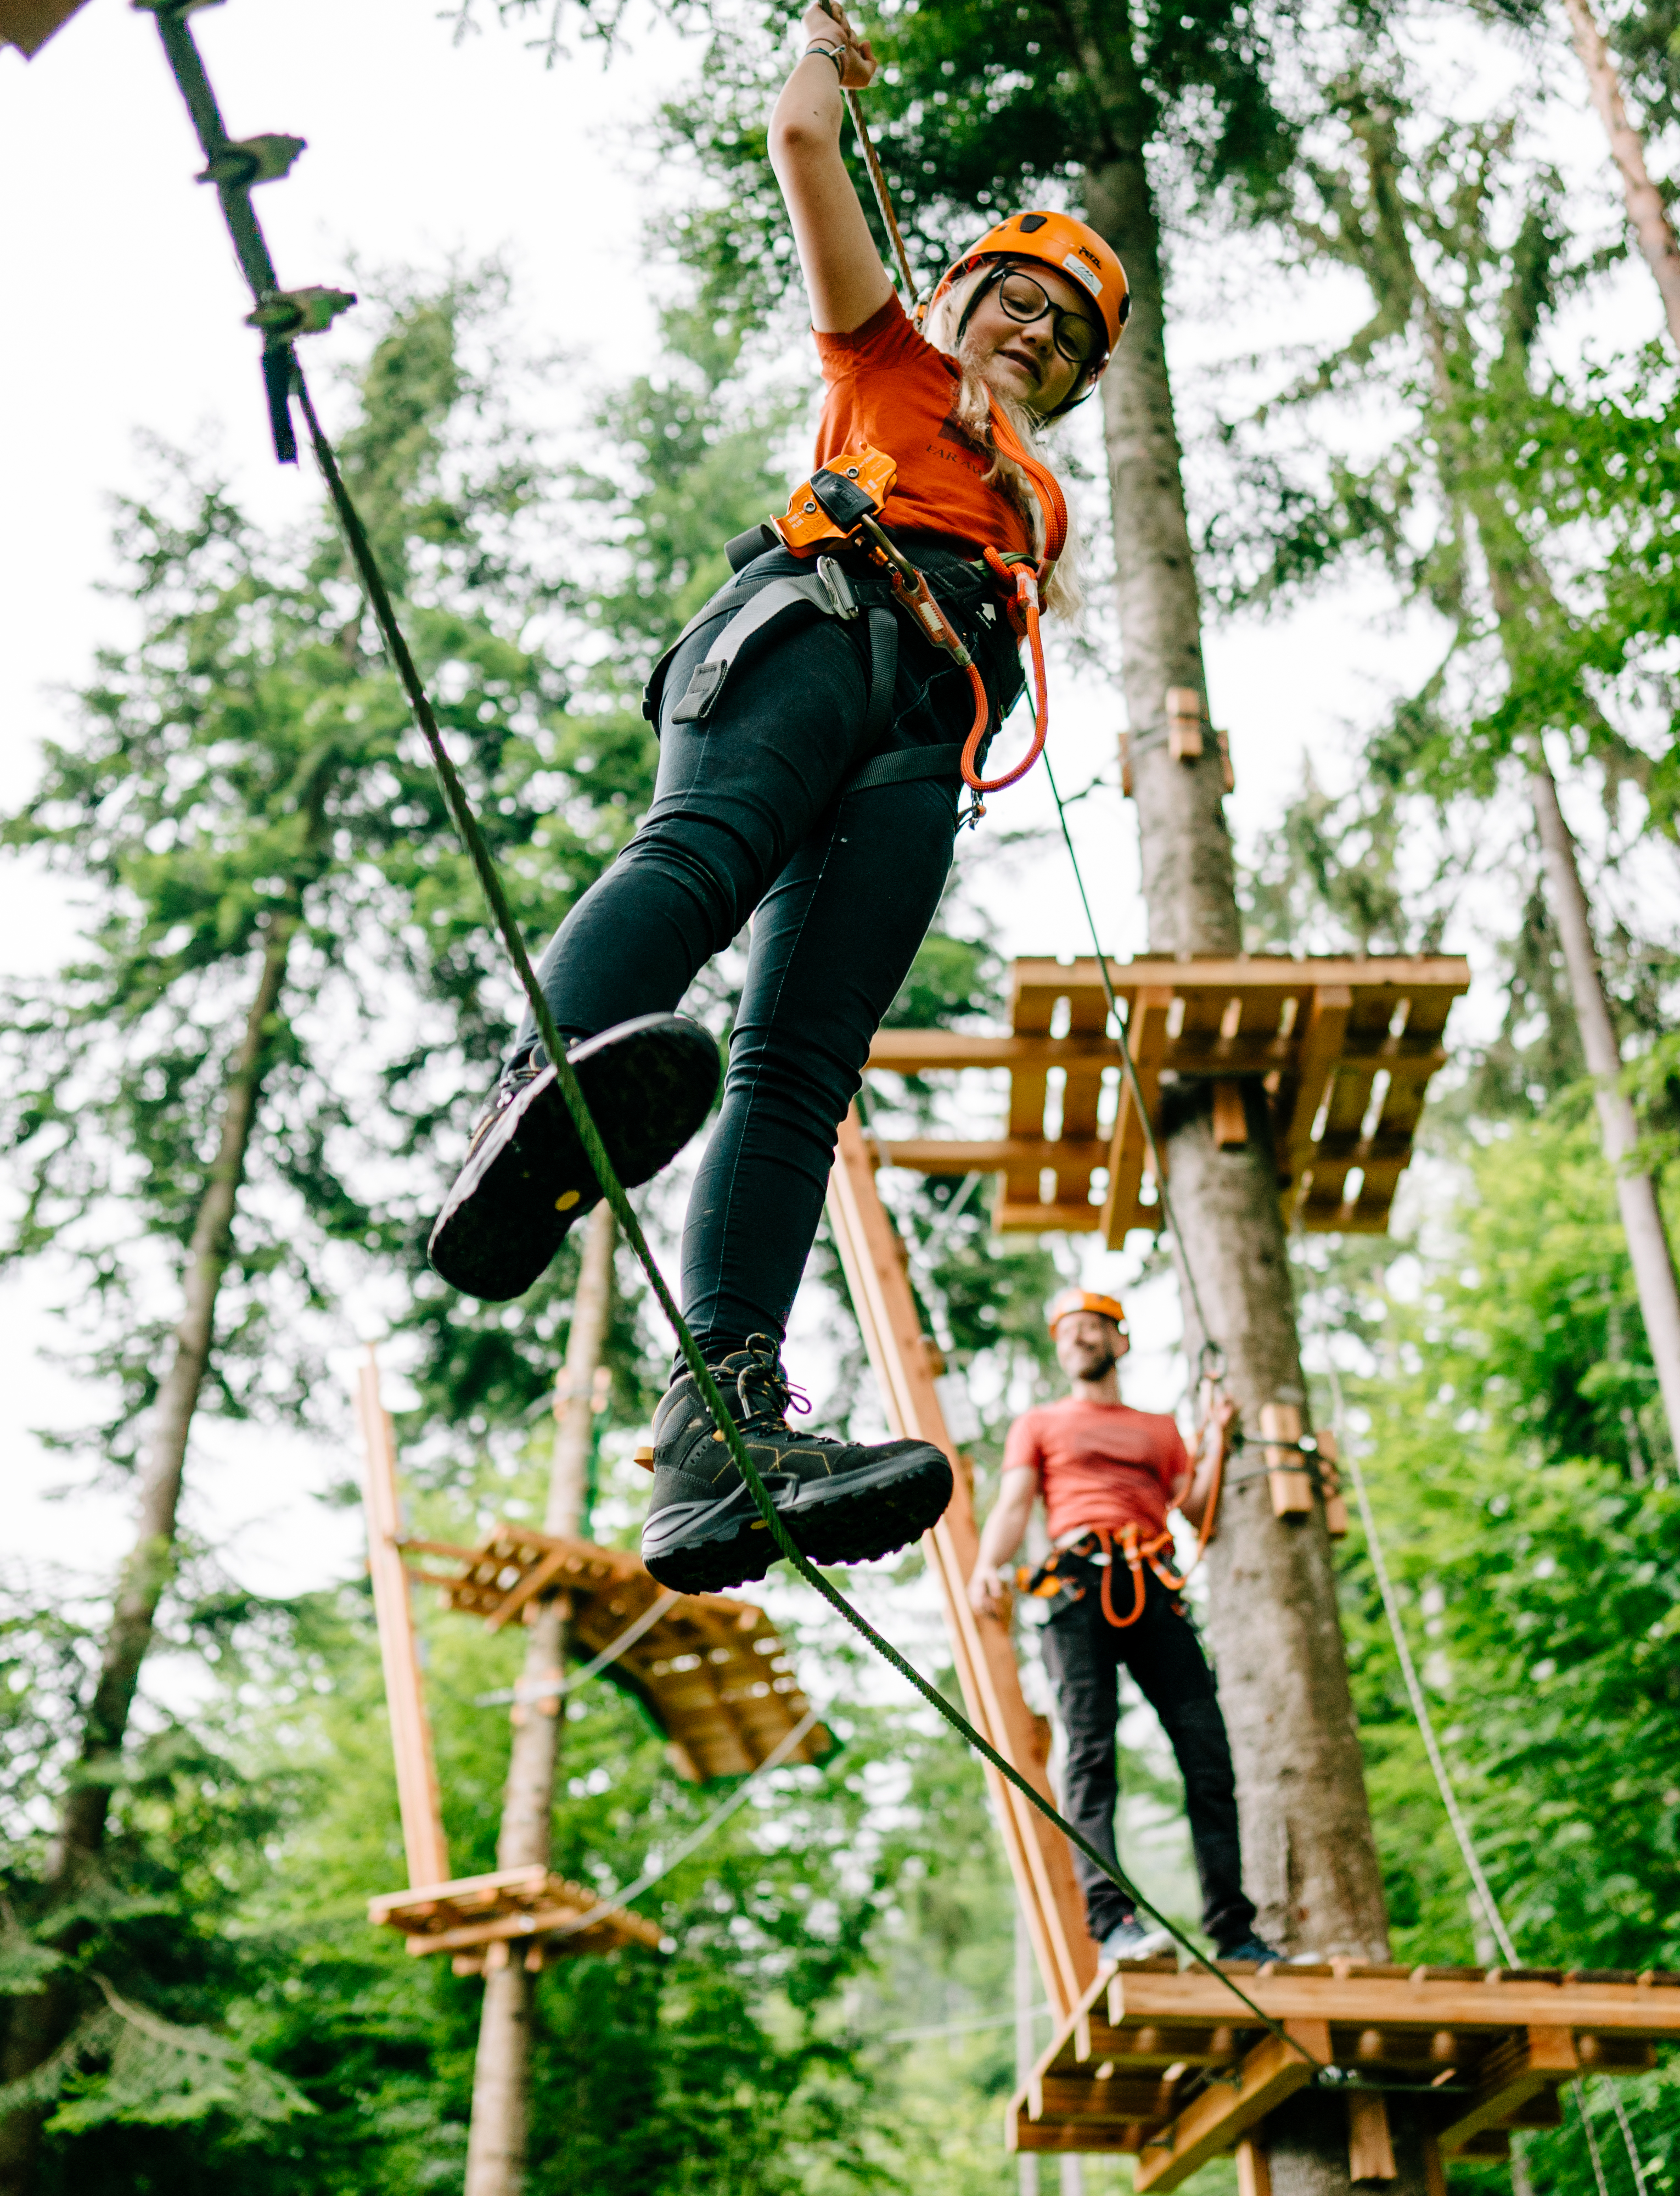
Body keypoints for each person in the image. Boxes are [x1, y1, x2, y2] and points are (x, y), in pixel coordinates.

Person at [423, 0, 1133, 1599]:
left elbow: (1020, 602)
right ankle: (518, 1097)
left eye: (1055, 334)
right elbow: (802, 145)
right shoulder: (877, 352)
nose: (1022, 333)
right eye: (1005, 301)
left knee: (800, 1072)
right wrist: (822, 50)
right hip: (817, 629)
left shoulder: (1045, 501)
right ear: (954, 296)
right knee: (697, 860)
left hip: (921, 746)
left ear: (1074, 379)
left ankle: (717, 1433)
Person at [972, 1290, 1281, 1967]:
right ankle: (1114, 1925)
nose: (1078, 1339)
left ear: (1121, 1341)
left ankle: (1235, 1931)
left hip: (1154, 1584)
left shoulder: (1159, 1429)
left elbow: (1194, 1508)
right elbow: (1016, 1500)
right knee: (1090, 1752)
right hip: (1080, 1586)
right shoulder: (1041, 1423)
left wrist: (1214, 1437)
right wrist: (988, 1565)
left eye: (1092, 1329)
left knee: (1207, 1754)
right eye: (1068, 1332)